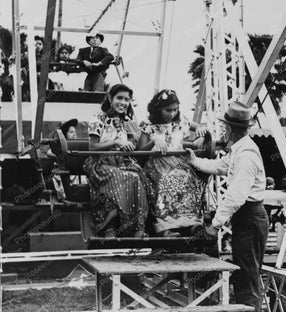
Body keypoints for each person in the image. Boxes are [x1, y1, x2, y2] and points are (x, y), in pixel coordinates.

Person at [188, 101, 268, 312]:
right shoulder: (238, 151)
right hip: (246, 217)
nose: (223, 131)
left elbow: (236, 195)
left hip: (250, 216)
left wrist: (216, 224)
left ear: (230, 128)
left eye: (225, 127)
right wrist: (196, 161)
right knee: (243, 272)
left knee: (248, 274)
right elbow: (220, 167)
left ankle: (251, 309)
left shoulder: (246, 155)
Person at [137, 89, 208, 237]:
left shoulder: (181, 122)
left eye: (175, 110)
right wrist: (153, 141)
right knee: (165, 181)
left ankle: (191, 223)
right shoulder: (148, 126)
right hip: (156, 163)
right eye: (168, 110)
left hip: (178, 162)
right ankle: (164, 227)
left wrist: (201, 129)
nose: (172, 114)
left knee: (190, 179)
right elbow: (140, 153)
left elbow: (201, 126)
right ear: (158, 109)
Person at [83, 84, 150, 238]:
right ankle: (109, 227)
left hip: (122, 162)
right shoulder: (98, 118)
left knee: (139, 178)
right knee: (121, 177)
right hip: (100, 162)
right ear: (110, 98)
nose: (123, 102)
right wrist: (116, 142)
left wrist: (142, 136)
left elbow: (137, 148)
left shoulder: (127, 122)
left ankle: (138, 229)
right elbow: (92, 147)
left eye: (127, 99)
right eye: (119, 98)